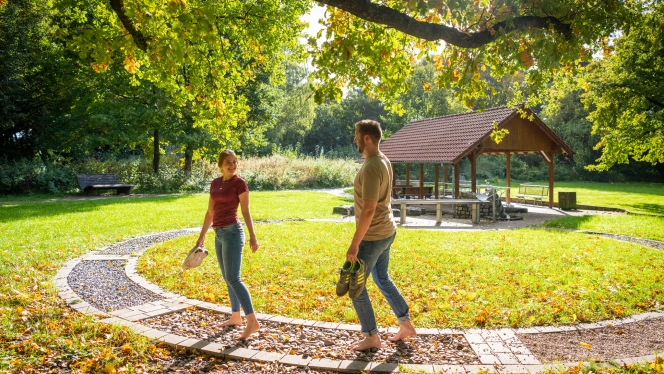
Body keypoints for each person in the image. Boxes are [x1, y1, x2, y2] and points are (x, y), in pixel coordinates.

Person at [346, 119, 416, 351]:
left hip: (373, 236)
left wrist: (354, 245)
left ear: (367, 138)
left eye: (357, 135)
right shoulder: (383, 160)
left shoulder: (371, 167)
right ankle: (405, 324)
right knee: (381, 278)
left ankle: (371, 336)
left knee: (356, 286)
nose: (354, 139)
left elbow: (368, 209)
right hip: (388, 230)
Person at [196, 149, 260, 339]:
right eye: (228, 162)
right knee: (227, 277)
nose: (232, 165)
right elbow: (210, 212)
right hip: (218, 233)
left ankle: (252, 321)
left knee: (234, 278)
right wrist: (202, 236)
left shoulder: (240, 183)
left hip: (233, 233)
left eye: (234, 162)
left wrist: (253, 237)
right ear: (220, 165)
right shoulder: (215, 184)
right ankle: (235, 316)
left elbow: (246, 212)